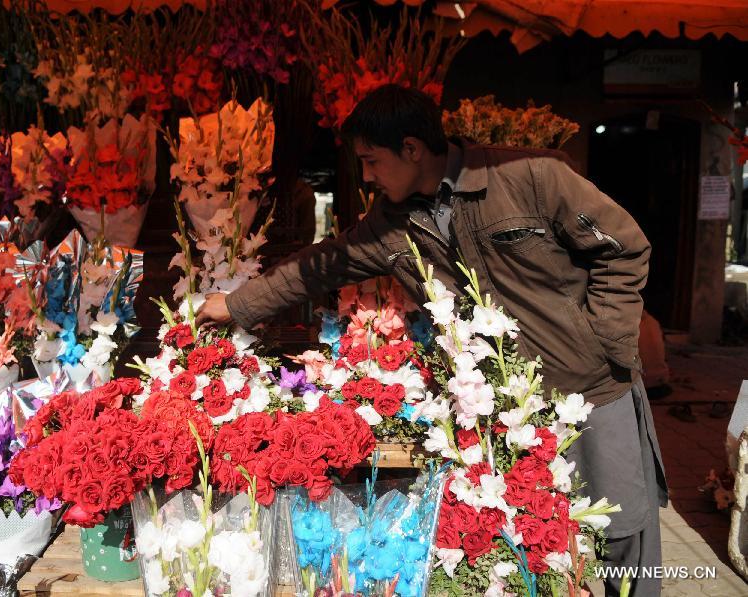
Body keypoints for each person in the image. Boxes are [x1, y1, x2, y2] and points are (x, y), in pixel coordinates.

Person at [196, 84, 667, 596]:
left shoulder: (531, 176)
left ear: (413, 149)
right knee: (537, 541)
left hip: (593, 387)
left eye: (372, 161)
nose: (368, 176)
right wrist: (235, 304)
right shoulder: (392, 223)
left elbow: (625, 247)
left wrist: (606, 342)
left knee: (624, 535)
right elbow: (319, 266)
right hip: (508, 410)